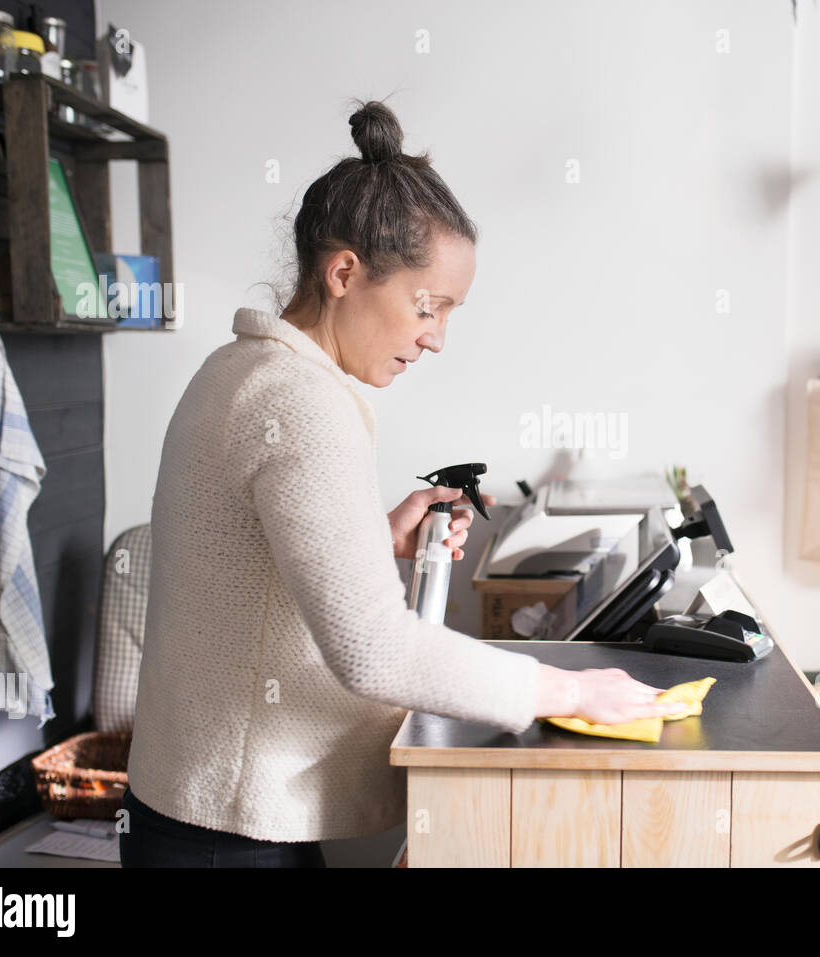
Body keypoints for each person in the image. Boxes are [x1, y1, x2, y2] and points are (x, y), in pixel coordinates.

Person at [119, 99, 677, 867]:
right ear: (344, 271)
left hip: (197, 807)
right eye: (427, 306)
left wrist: (369, 539)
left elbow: (241, 564)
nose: (437, 337)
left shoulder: (237, 368)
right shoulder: (303, 402)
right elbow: (374, 651)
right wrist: (568, 691)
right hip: (227, 833)